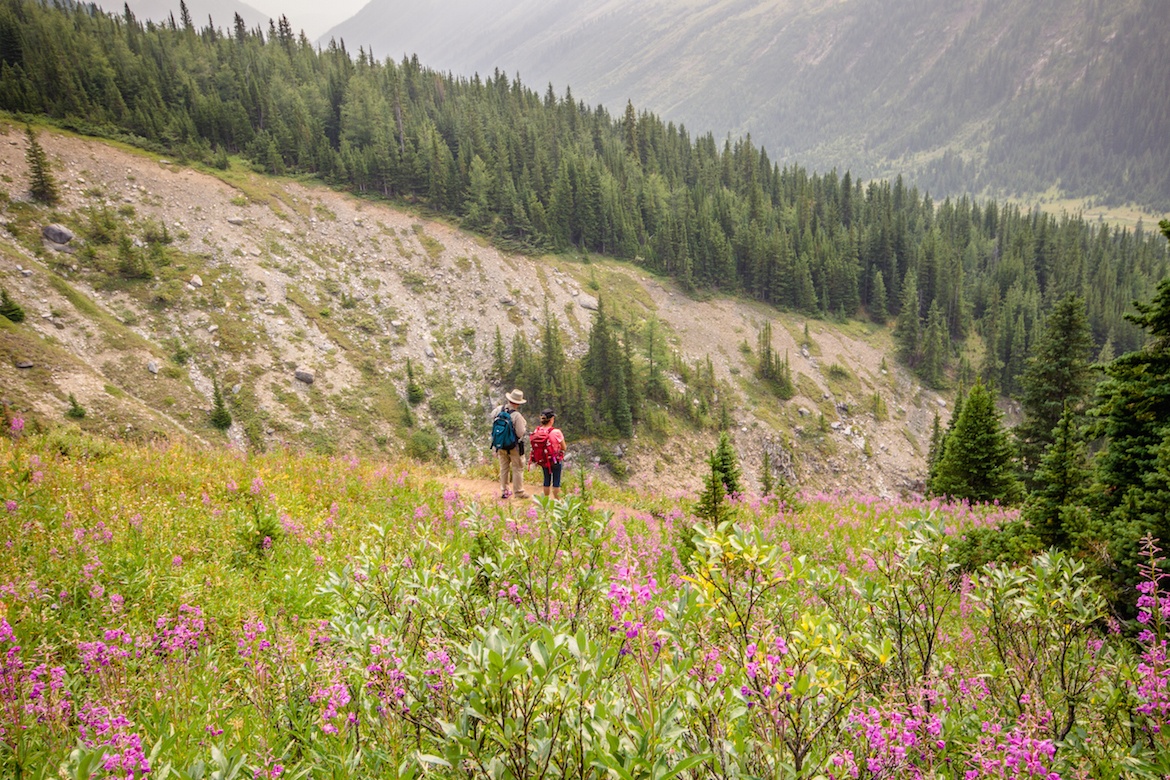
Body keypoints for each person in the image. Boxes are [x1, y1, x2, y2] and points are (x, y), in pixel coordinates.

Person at [490, 388, 528, 499]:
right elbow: (520, 433)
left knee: (504, 467)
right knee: (517, 468)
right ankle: (519, 492)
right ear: (518, 403)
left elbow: (492, 418)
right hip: (514, 446)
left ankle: (505, 491)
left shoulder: (498, 409)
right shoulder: (517, 416)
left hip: (500, 445)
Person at [529, 408, 566, 500]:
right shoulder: (556, 432)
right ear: (552, 419)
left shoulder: (537, 431)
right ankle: (557, 501)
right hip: (555, 460)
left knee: (546, 480)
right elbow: (564, 447)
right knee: (556, 481)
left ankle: (546, 500)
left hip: (543, 459)